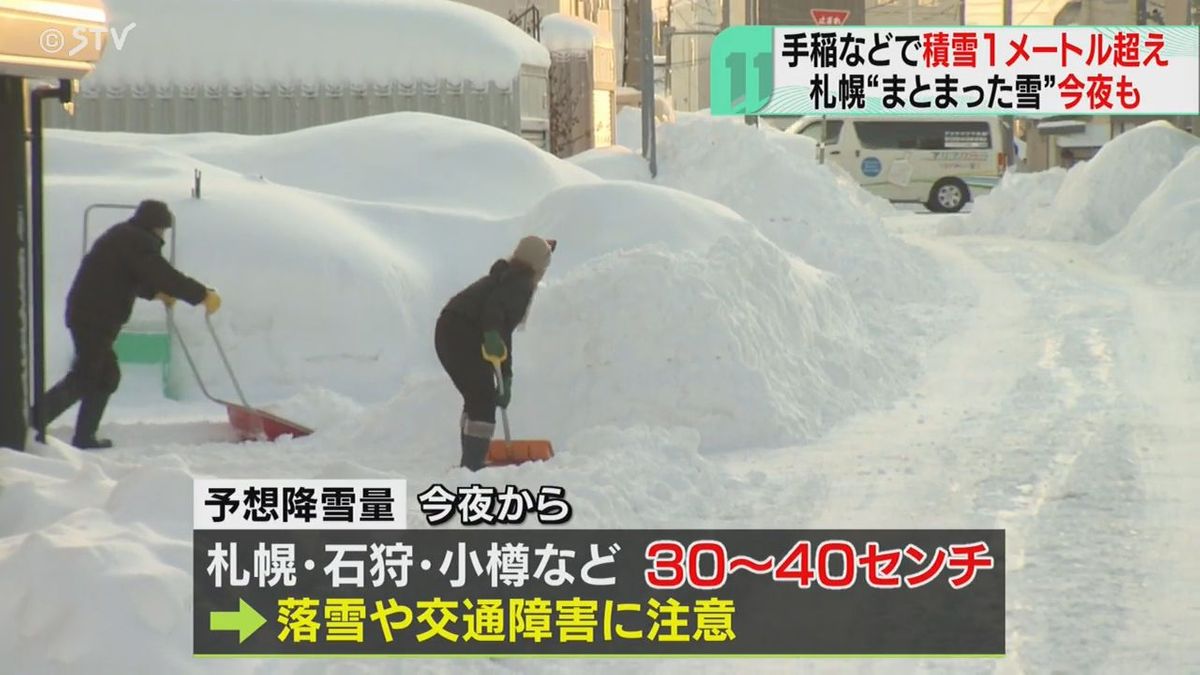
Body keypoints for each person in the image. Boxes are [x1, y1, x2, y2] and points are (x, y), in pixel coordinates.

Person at [34, 199, 220, 449]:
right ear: (155, 226)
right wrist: (201, 295)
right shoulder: (137, 242)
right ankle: (29, 423)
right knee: (85, 376)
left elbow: (127, 276)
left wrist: (155, 293)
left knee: (105, 376)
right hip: (94, 317)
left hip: (91, 314)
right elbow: (162, 274)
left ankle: (83, 437)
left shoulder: (125, 237)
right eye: (162, 229)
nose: (163, 234)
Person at [435, 236, 555, 470]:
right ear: (538, 266)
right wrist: (491, 335)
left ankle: (470, 464)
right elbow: (494, 313)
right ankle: (472, 467)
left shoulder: (504, 278)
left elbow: (502, 330)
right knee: (482, 399)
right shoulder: (520, 284)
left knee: (477, 396)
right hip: (461, 334)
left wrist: (506, 377)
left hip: (448, 331)